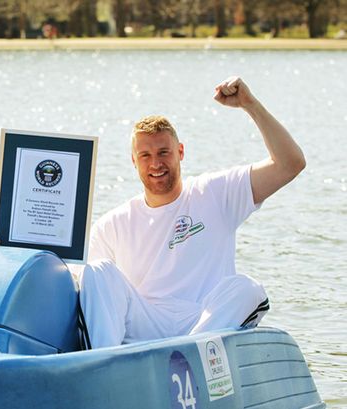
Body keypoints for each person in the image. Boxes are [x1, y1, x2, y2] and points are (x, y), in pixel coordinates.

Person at [80, 76, 306, 348]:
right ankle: (103, 364)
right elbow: (92, 294)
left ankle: (187, 357)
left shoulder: (215, 192)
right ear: (133, 161)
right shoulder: (113, 224)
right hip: (144, 324)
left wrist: (250, 104)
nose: (156, 163)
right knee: (97, 271)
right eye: (145, 156)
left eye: (164, 152)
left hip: (205, 323)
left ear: (181, 152)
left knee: (247, 289)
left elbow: (290, 164)